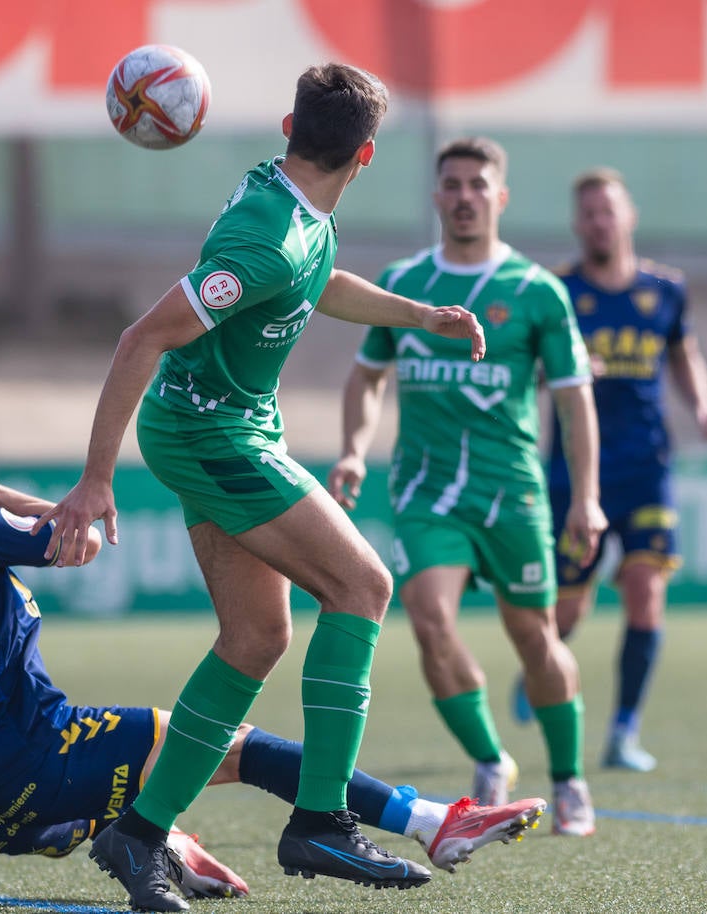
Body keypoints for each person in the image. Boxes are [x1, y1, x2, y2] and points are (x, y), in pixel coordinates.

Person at [36, 64, 497, 910]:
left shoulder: (288, 206)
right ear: (365, 155)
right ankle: (320, 819)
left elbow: (317, 277)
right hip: (214, 434)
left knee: (255, 638)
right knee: (364, 587)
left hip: (219, 429)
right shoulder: (268, 234)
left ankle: (139, 837)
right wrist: (94, 479)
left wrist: (420, 316)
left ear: (290, 127)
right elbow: (142, 338)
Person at [0, 390, 546, 912]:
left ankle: (159, 845)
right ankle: (433, 824)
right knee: (227, 744)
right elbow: (83, 540)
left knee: (180, 751)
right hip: (42, 757)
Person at [327, 137, 605, 838]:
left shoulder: (538, 292)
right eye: (451, 184)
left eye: (477, 185)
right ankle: (489, 760)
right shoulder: (404, 280)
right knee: (429, 619)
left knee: (534, 638)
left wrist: (586, 497)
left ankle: (569, 779)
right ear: (435, 197)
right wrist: (355, 451)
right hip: (425, 492)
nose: (463, 196)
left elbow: (573, 401)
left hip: (511, 492)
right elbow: (367, 376)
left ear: (499, 198)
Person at [520, 167, 707, 772]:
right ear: (576, 224)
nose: (598, 222)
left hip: (646, 467)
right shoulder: (555, 290)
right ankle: (541, 666)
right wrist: (567, 369)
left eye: (607, 211)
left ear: (628, 216)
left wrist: (706, 406)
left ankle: (623, 731)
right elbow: (526, 372)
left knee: (646, 591)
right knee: (567, 610)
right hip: (574, 471)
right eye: (587, 213)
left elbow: (684, 354)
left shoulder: (665, 291)